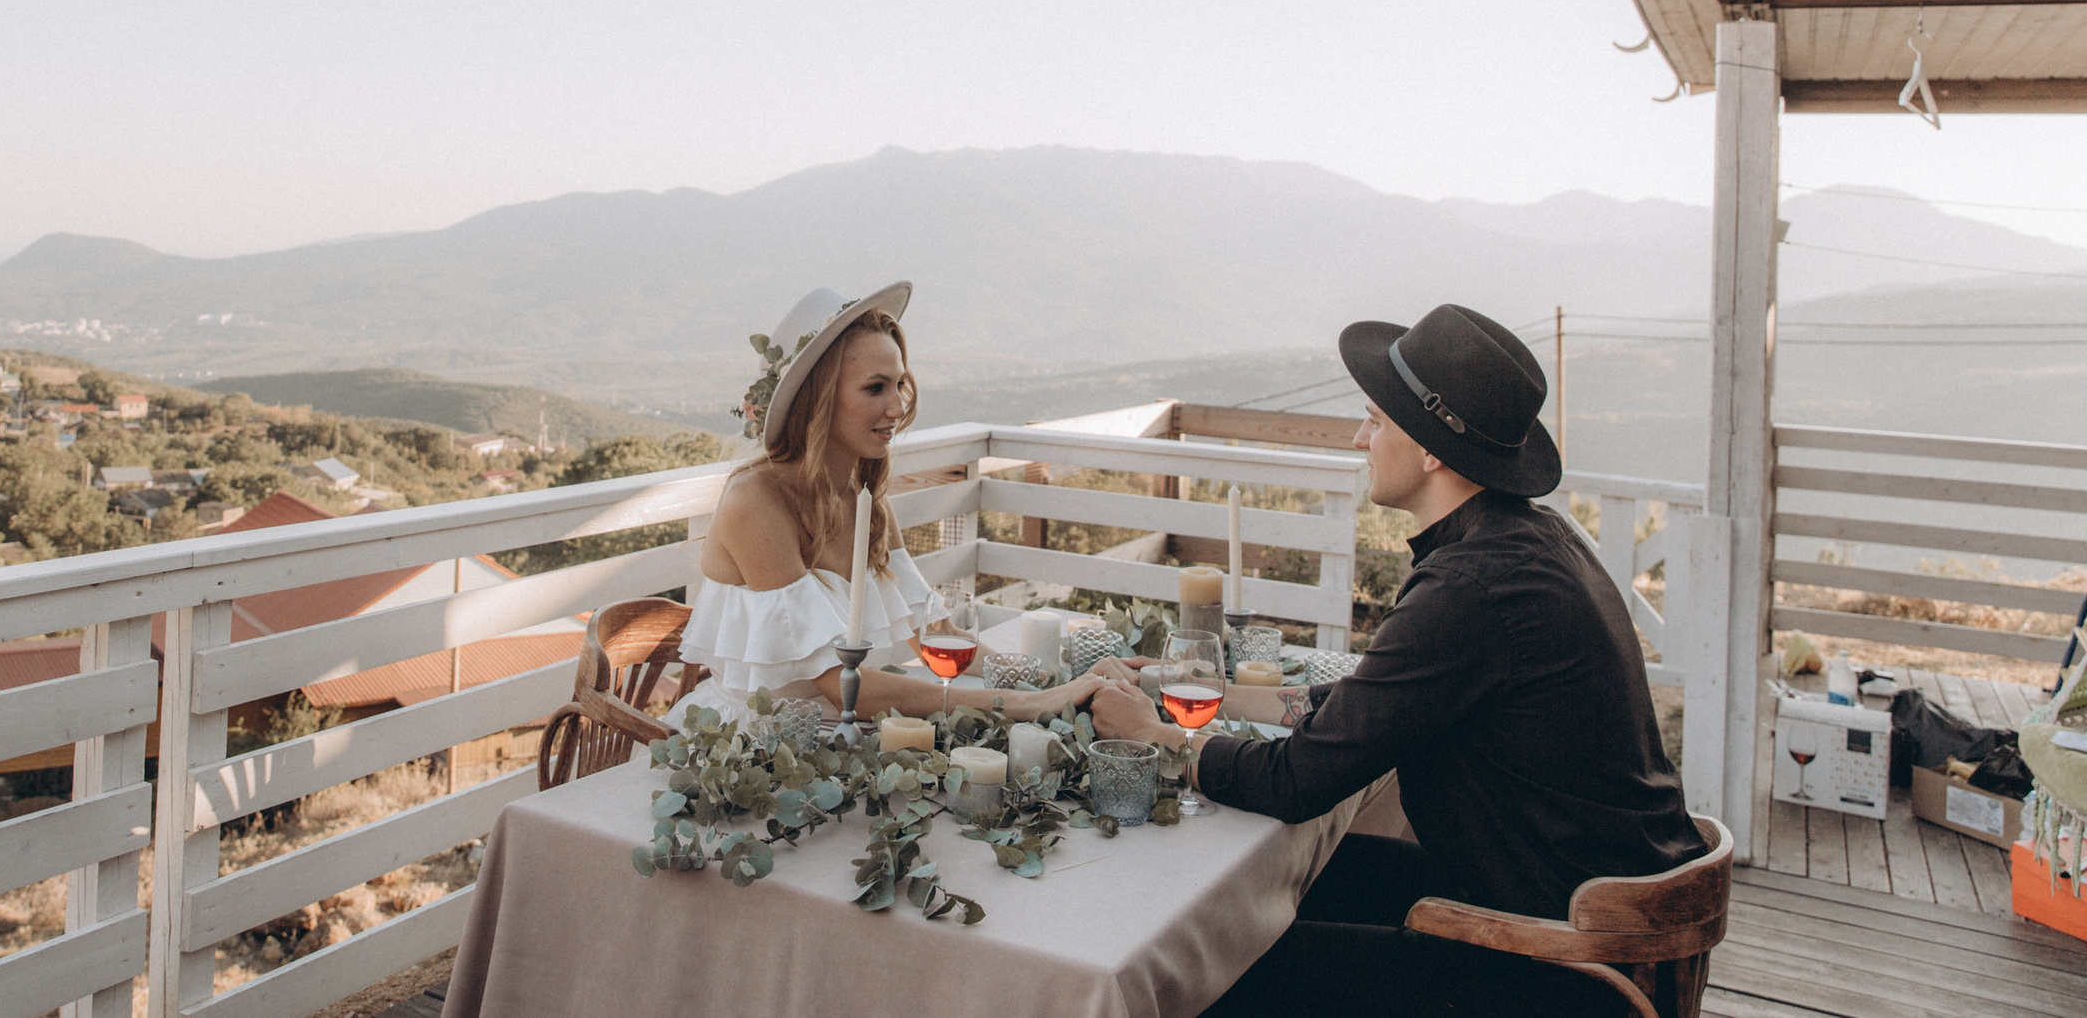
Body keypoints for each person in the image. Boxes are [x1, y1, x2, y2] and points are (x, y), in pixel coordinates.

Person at [1091, 303, 1706, 1018]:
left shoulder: (1470, 587)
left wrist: (1157, 738)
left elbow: (1298, 779)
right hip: (1573, 908)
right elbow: (1361, 709)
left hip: (1563, 967)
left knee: (1209, 972)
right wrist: (1202, 690)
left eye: (1375, 420)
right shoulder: (1530, 542)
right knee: (1267, 892)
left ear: (1431, 450)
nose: (1359, 437)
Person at [677, 281, 1107, 731]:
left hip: (839, 735)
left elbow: (936, 636)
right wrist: (1024, 705)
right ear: (817, 398)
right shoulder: (756, 500)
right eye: (875, 388)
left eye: (899, 384)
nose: (899, 407)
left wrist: (1063, 679)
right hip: (753, 742)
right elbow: (840, 683)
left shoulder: (866, 501)